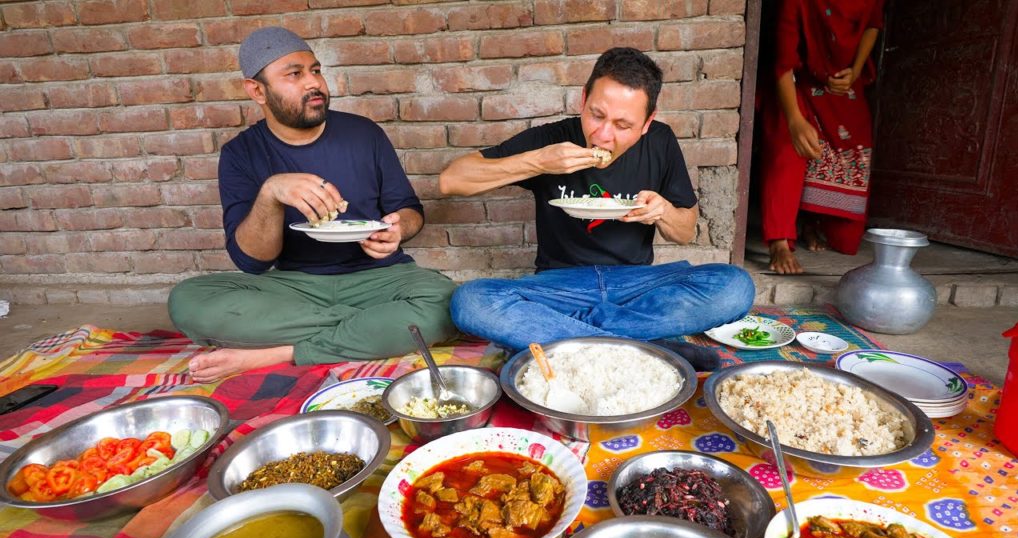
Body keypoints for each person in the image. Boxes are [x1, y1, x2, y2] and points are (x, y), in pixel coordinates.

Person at [168, 27, 456, 383]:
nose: (313, 83)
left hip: (380, 279)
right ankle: (375, 326)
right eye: (294, 74)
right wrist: (271, 193)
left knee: (446, 300)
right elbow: (251, 261)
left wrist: (399, 228)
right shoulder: (240, 153)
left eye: (316, 71)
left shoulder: (364, 133)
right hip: (294, 287)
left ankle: (285, 352)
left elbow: (409, 209)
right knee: (187, 300)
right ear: (257, 90)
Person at [438, 47, 754, 367]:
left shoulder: (661, 141)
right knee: (470, 302)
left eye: (622, 125)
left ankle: (568, 339)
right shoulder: (553, 140)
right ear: (583, 99)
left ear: (647, 123)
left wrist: (664, 212)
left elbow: (685, 231)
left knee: (735, 287)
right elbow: (451, 179)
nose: (602, 135)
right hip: (558, 287)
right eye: (597, 115)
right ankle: (644, 347)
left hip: (636, 286)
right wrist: (537, 161)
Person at [760, 0, 884, 274]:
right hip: (799, 84)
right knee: (787, 143)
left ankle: (812, 221)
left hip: (843, 83)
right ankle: (779, 239)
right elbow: (783, 62)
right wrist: (794, 120)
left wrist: (855, 70)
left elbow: (873, 25)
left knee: (846, 240)